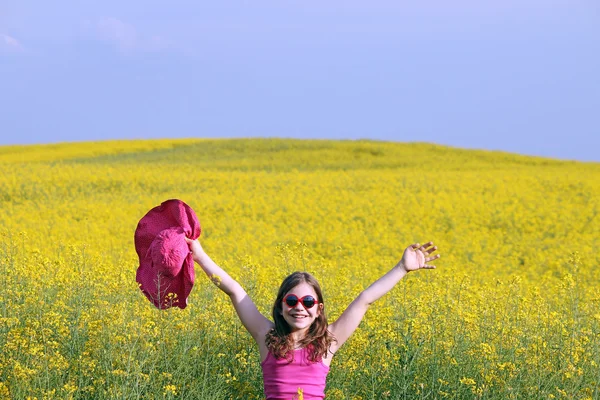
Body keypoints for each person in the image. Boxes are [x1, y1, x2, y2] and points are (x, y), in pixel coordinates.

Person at [185, 237, 440, 400]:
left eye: (308, 302)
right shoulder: (266, 337)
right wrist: (199, 255)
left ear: (319, 309)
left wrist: (402, 268)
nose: (300, 308)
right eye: (292, 301)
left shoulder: (329, 341)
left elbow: (365, 300)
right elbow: (234, 289)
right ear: (281, 306)